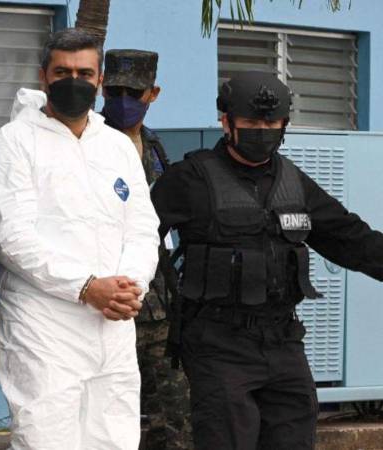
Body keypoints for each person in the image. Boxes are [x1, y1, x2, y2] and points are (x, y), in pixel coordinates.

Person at [152, 70, 383, 450]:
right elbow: (135, 236)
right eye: (251, 123)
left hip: (283, 341)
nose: (262, 131)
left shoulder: (293, 181)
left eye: (271, 124)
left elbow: (349, 237)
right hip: (218, 344)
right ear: (226, 121)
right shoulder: (189, 179)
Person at [0, 28, 160, 450]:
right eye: (62, 72)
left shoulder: (116, 146)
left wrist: (130, 286)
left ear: (99, 80)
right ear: (43, 76)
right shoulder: (15, 141)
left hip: (112, 324)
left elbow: (142, 228)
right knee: (47, 440)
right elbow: (12, 237)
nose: (74, 81)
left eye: (85, 73)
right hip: (44, 328)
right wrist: (85, 286)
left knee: (115, 439)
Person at [102, 49, 192, 449]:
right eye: (114, 91)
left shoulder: (155, 147)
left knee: (173, 418)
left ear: (152, 94)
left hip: (158, 307)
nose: (123, 100)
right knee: (106, 417)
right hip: (107, 303)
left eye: (133, 92)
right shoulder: (89, 143)